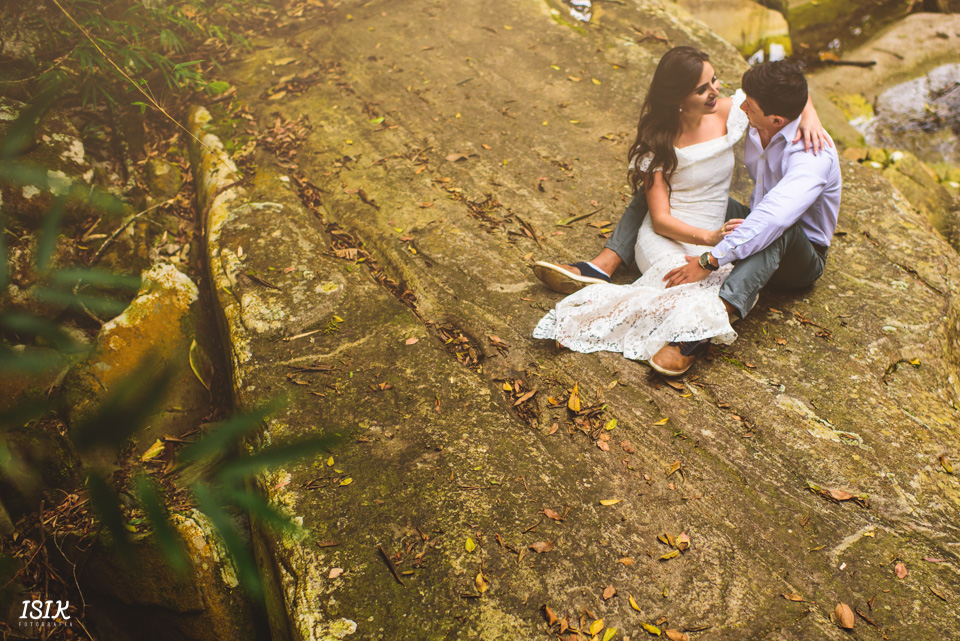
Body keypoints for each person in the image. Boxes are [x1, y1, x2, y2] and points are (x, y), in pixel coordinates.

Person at [534, 52, 841, 377]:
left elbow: (773, 220)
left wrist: (709, 260)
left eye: (749, 105)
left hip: (800, 253)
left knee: (775, 230)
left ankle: (700, 329)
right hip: (753, 217)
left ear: (777, 120)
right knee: (664, 175)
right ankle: (603, 264)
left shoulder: (811, 156)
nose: (740, 106)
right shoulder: (761, 114)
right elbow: (785, 88)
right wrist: (808, 110)